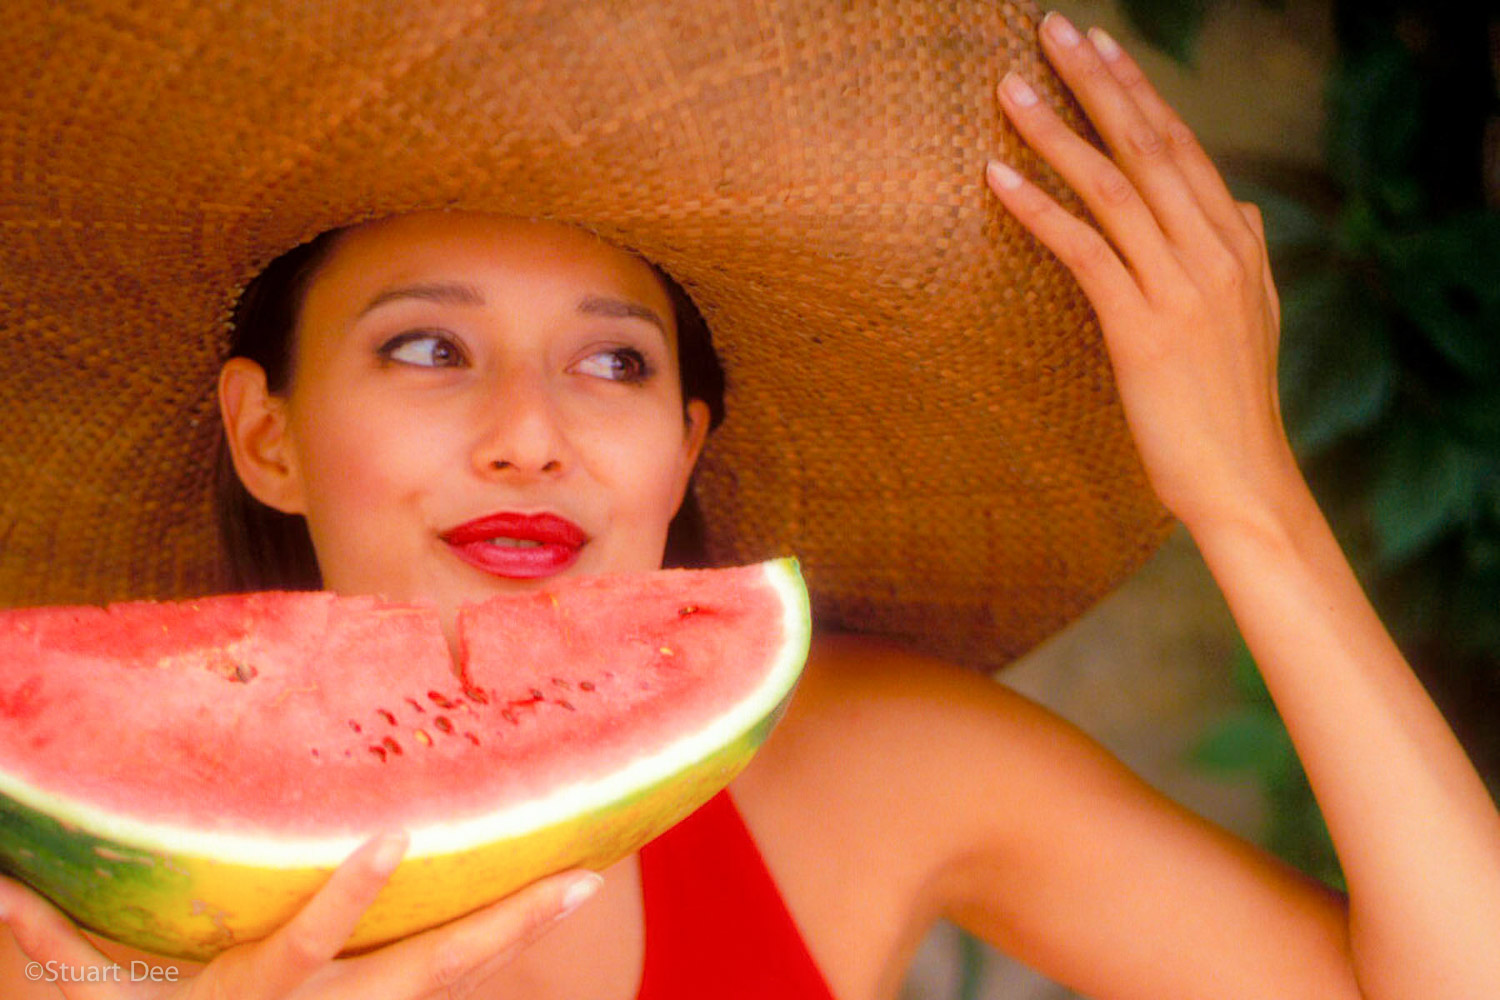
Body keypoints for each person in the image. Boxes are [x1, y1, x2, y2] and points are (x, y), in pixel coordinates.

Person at [1, 3, 1497, 999]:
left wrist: (1248, 500)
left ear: (685, 444)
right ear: (267, 435)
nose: (532, 435)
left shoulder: (859, 768)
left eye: (613, 362)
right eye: (428, 347)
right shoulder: (57, 900)